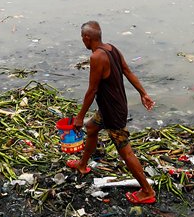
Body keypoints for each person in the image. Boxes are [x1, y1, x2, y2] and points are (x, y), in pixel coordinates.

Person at [66, 20, 157, 205]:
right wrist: (143, 93)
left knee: (126, 152)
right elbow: (127, 71)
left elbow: (92, 90)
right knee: (91, 129)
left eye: (82, 38)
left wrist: (79, 117)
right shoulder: (112, 49)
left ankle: (147, 191)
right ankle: (82, 166)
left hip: (113, 112)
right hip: (110, 107)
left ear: (86, 38)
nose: (82, 41)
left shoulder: (97, 57)